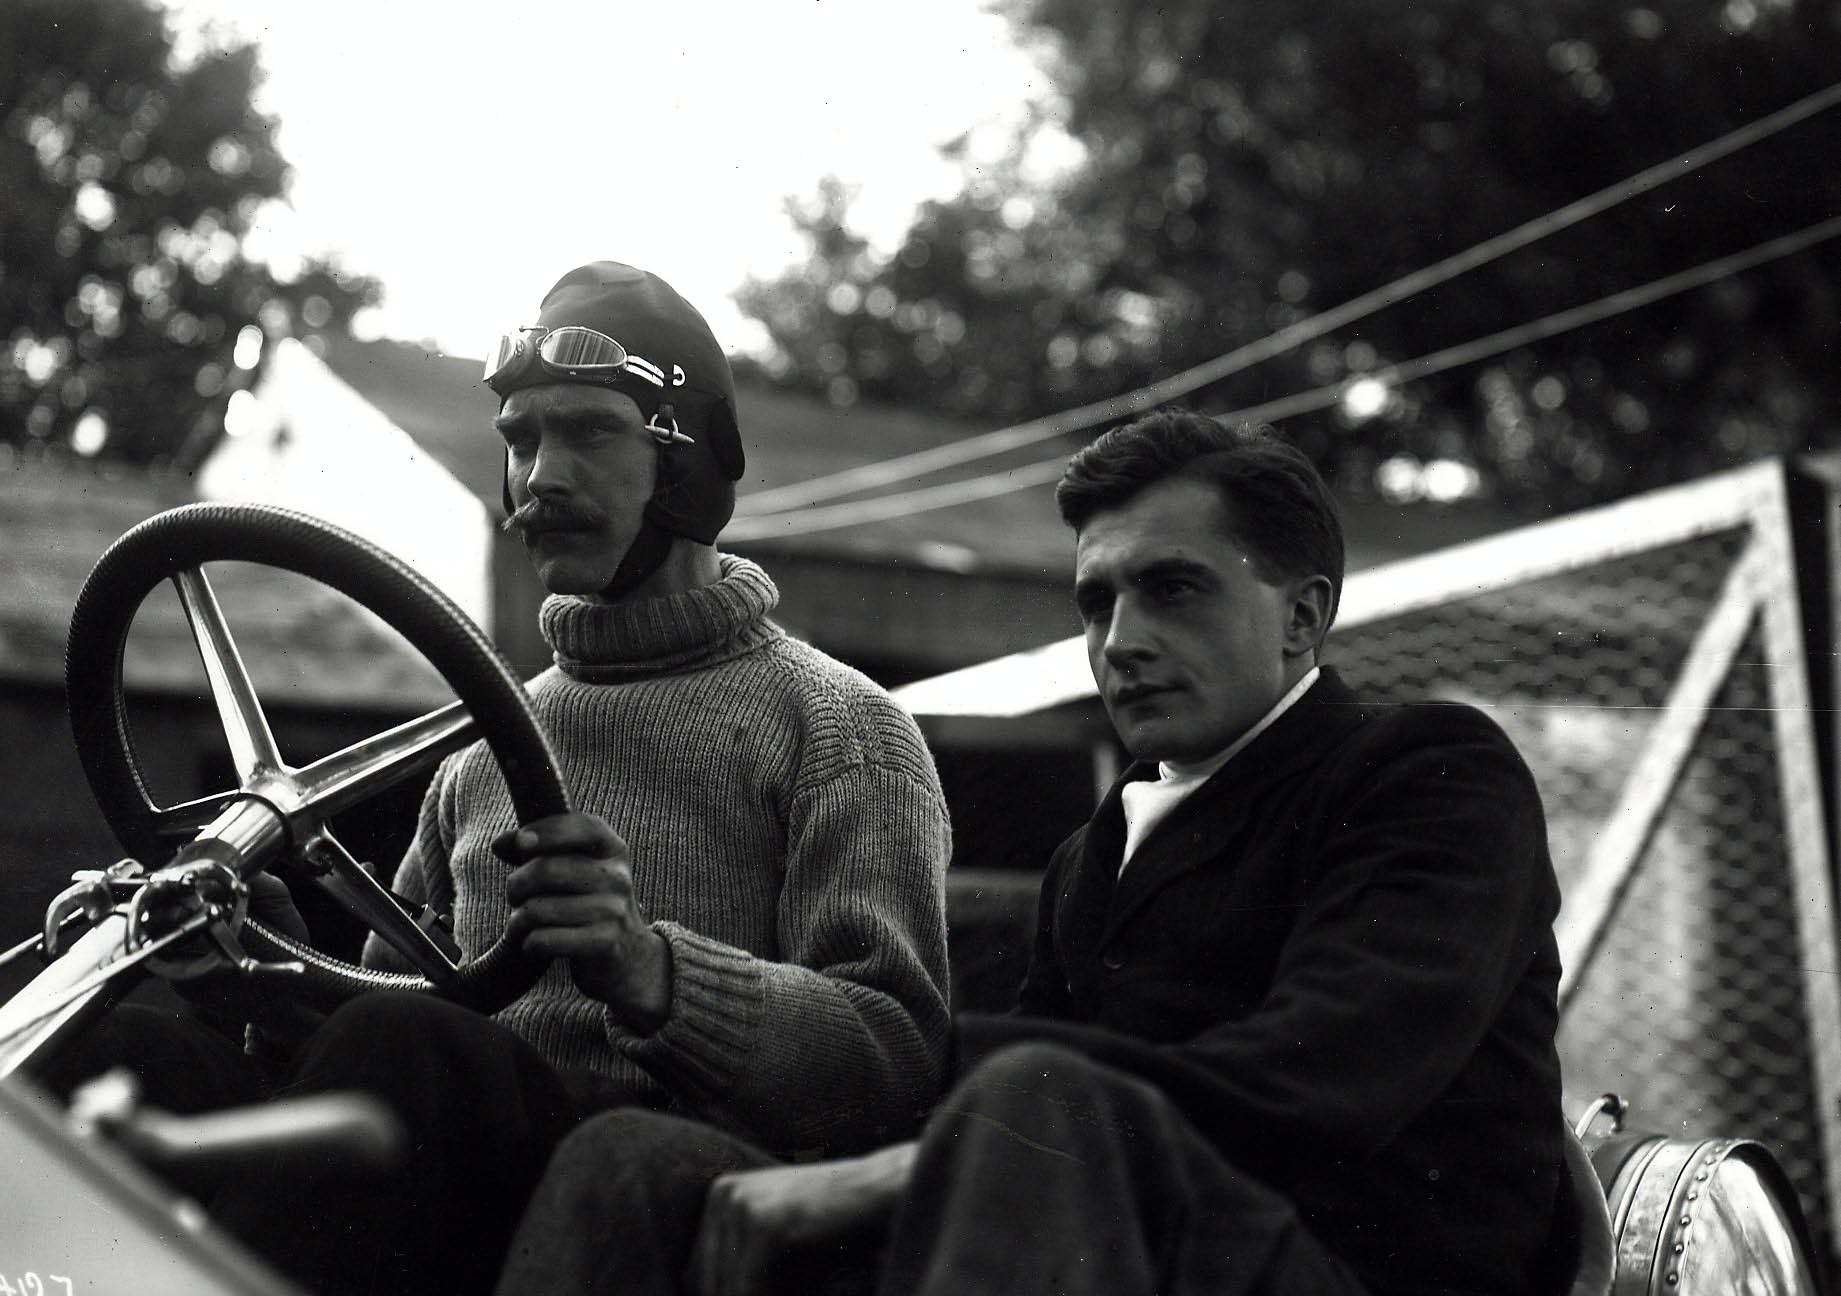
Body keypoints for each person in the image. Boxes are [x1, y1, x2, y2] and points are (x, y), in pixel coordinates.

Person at [39, 261, 954, 1295]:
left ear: (692, 456)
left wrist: (651, 970)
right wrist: (258, 965)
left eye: (590, 432)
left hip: (649, 1199)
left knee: (417, 1047)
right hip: (443, 1184)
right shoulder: (480, 750)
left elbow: (895, 1063)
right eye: (520, 440)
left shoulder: (839, 727)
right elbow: (367, 1033)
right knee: (116, 1052)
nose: (539, 478)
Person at [504, 408, 1565, 1296]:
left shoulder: (1425, 771)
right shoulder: (1093, 853)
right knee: (637, 1160)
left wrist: (920, 1159)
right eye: (1097, 602)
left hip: (1353, 1270)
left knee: (1031, 1096)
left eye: (1173, 589)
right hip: (1108, 1242)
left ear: (1300, 617)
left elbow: (1321, 1081)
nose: (1121, 641)